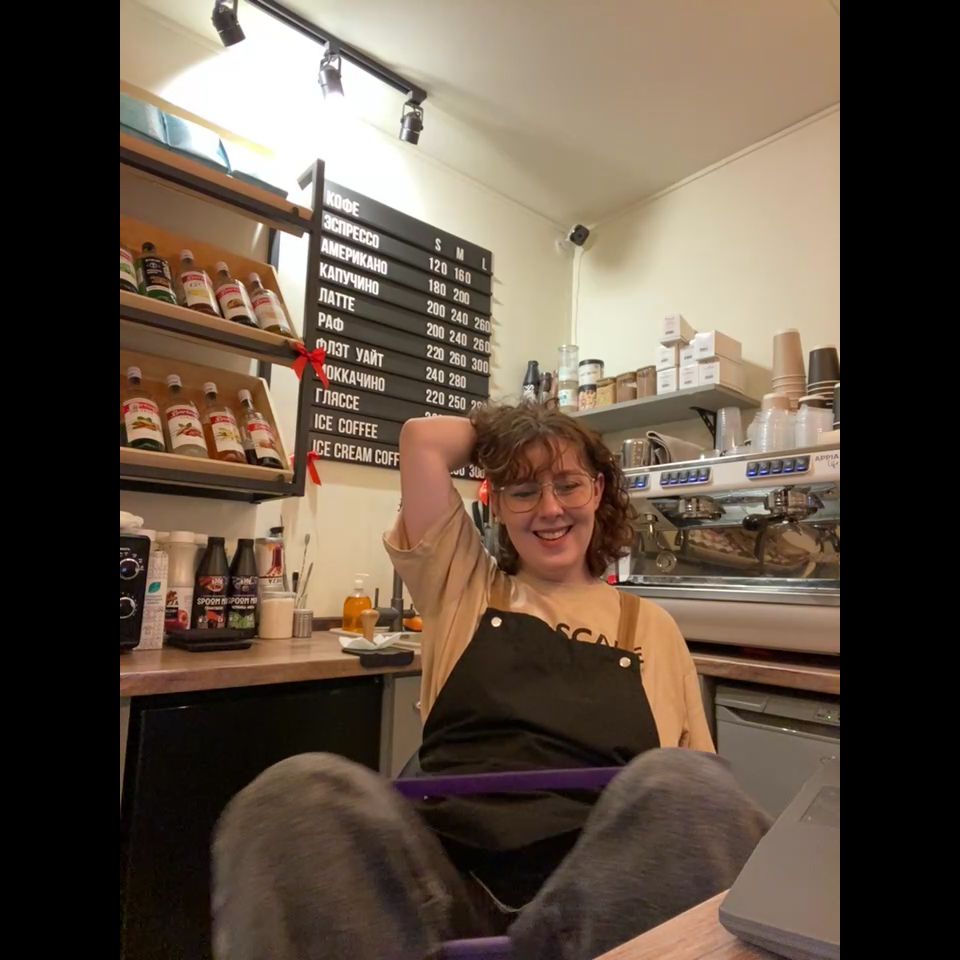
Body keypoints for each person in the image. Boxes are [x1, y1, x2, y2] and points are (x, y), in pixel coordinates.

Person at [212, 403, 770, 960]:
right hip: (446, 886)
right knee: (296, 792)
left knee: (689, 784)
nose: (549, 508)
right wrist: (520, 437)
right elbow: (423, 440)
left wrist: (532, 452)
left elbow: (700, 799)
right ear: (496, 504)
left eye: (568, 485)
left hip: (601, 898)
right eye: (523, 491)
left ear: (598, 491)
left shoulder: (653, 626)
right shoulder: (463, 586)